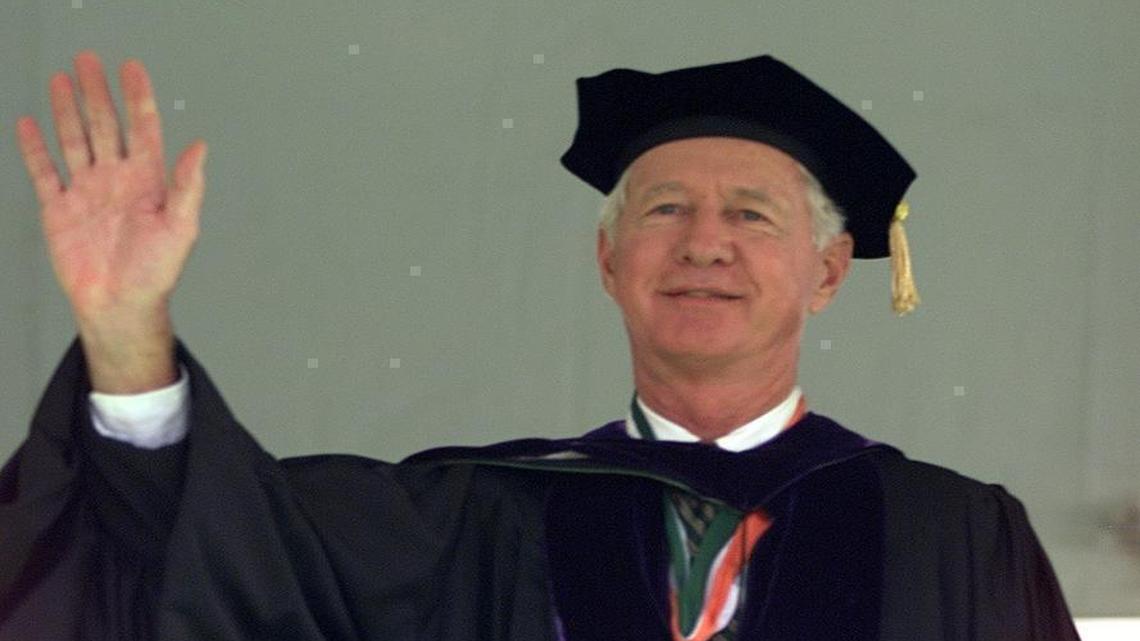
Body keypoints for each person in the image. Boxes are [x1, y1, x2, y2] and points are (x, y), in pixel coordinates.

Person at [0, 51, 1080, 640]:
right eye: (662, 212)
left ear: (830, 271)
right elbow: (212, 552)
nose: (703, 242)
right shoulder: (472, 518)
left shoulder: (957, 533)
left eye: (751, 214)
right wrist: (124, 323)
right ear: (608, 261)